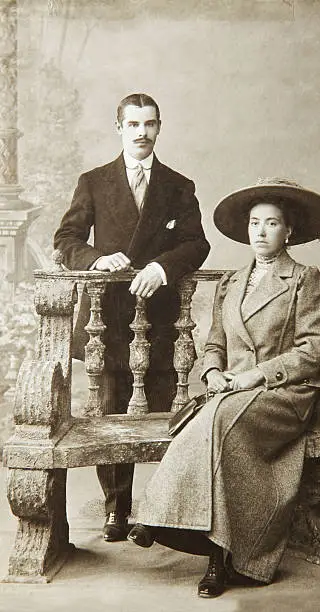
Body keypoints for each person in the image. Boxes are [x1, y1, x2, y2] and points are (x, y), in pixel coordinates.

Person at [126, 178, 320, 598]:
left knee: (218, 417)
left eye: (271, 223)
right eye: (255, 223)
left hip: (285, 393)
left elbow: (311, 352)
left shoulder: (304, 280)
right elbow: (214, 343)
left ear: (288, 231)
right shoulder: (232, 283)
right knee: (218, 418)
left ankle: (156, 513)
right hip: (232, 393)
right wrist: (212, 374)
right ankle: (217, 559)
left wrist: (256, 376)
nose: (260, 231)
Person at [53, 93, 210, 542]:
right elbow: (66, 238)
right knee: (108, 414)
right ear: (118, 128)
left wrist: (162, 268)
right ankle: (115, 512)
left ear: (160, 128)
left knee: (164, 414)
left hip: (160, 320)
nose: (142, 132)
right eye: (133, 124)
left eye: (151, 124)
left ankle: (160, 513)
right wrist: (97, 259)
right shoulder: (94, 181)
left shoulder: (179, 186)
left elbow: (198, 244)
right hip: (109, 320)